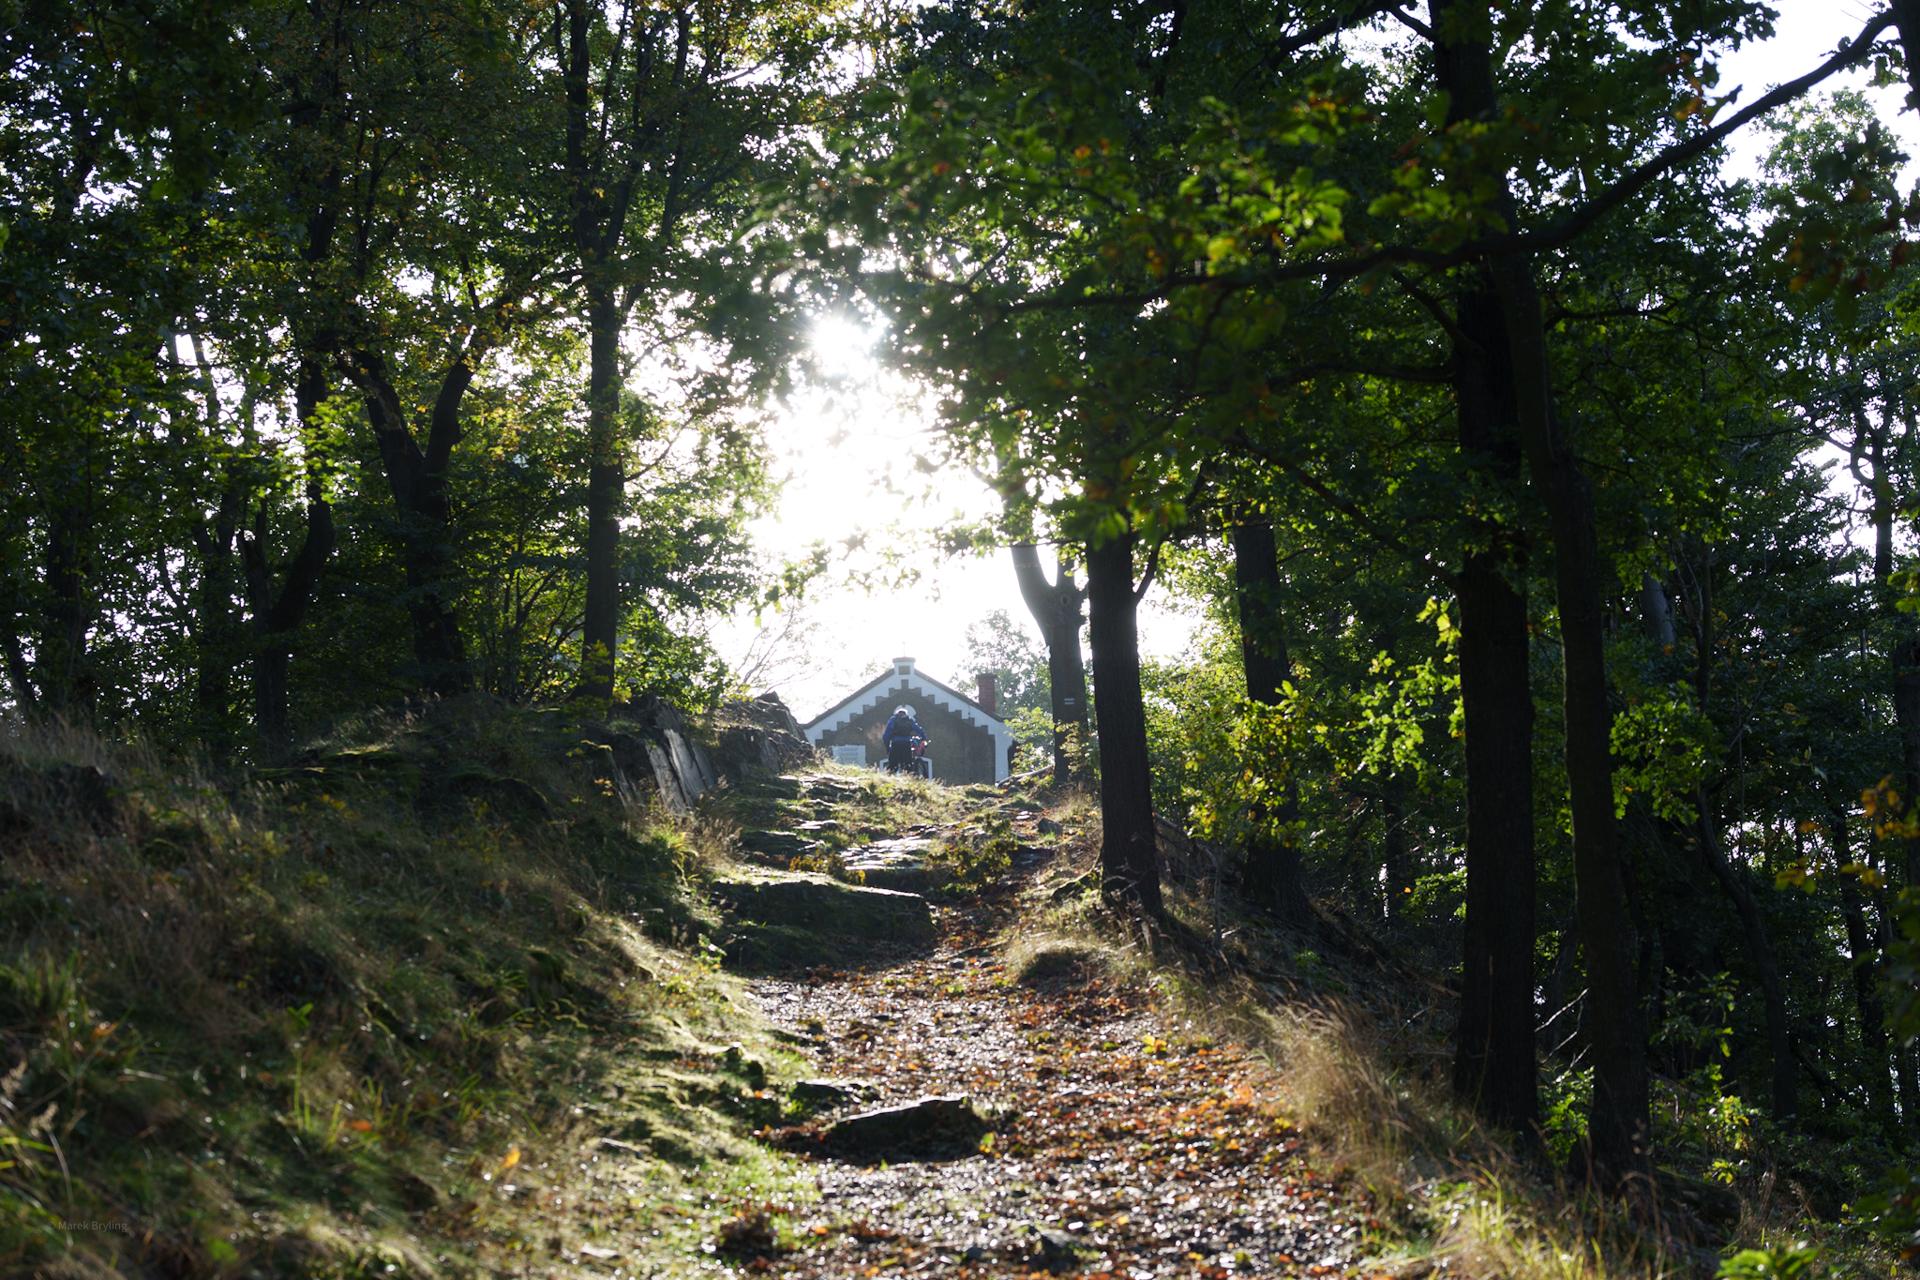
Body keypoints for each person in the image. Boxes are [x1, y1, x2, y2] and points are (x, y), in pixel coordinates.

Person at [881, 705, 926, 774]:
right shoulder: (909, 720)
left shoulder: (893, 720)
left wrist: (887, 746)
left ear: (897, 713)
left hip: (895, 744)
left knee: (892, 765)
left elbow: (887, 734)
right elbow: (918, 729)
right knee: (908, 765)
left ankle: (887, 780)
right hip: (906, 744)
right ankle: (909, 779)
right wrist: (923, 738)